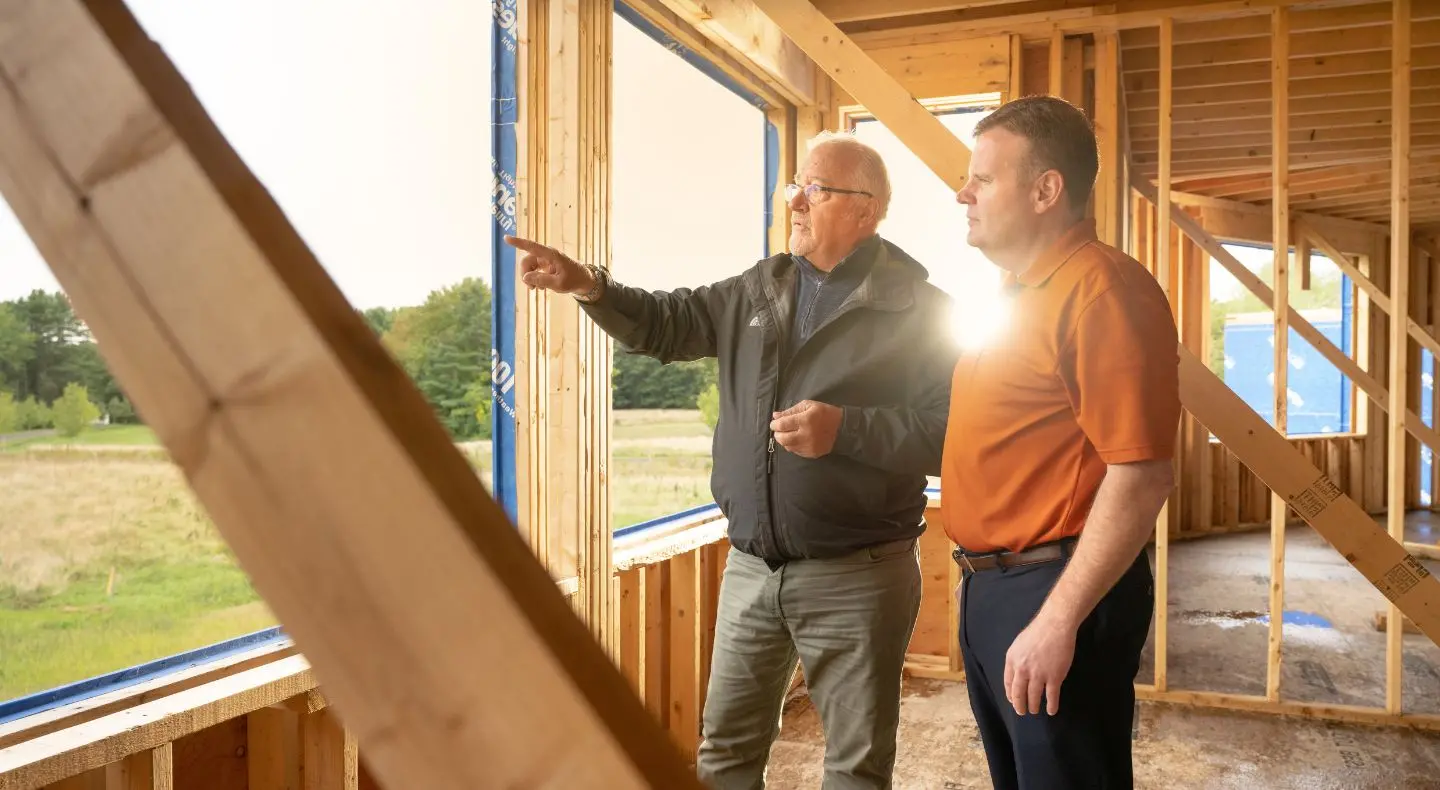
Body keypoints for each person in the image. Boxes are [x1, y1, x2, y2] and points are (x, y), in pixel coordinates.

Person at [505, 131, 958, 789]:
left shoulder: (923, 311)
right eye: (795, 185)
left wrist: (848, 430)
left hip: (859, 574)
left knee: (855, 767)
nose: (796, 200)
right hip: (751, 570)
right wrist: (589, 286)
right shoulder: (759, 287)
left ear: (866, 210)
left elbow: (948, 434)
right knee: (724, 756)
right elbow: (664, 322)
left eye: (816, 189)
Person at [941, 95, 1181, 789]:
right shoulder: (1019, 294)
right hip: (996, 587)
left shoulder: (1102, 289)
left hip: (1055, 589)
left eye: (983, 179)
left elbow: (1141, 474)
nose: (964, 193)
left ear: (1047, 189)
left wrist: (1056, 620)